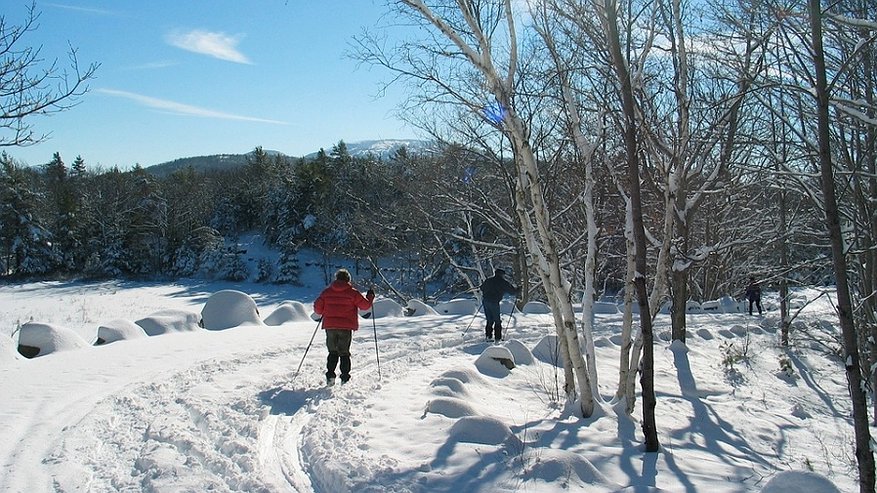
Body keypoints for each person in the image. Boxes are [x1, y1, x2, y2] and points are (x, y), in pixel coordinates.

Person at [314, 268, 375, 385]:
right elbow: (365, 306)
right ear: (348, 279)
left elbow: (317, 308)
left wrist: (325, 310)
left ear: (336, 278)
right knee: (344, 352)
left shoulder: (327, 292)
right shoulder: (352, 293)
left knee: (332, 351)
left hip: (330, 326)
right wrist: (370, 297)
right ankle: (345, 378)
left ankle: (330, 376)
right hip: (345, 327)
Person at [479, 268, 520, 342]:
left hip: (485, 301)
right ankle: (497, 338)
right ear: (502, 275)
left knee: (489, 319)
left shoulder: (489, 280)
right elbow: (512, 291)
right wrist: (518, 290)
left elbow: (481, 288)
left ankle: (488, 336)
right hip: (494, 302)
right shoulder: (503, 282)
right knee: (497, 320)